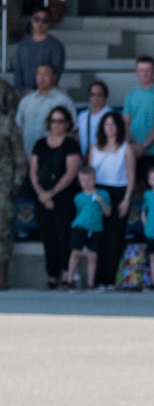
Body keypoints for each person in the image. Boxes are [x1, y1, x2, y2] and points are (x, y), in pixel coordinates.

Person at [29, 108, 81, 289]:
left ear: (67, 124)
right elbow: (33, 170)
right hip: (42, 196)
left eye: (60, 121)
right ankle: (52, 274)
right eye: (53, 121)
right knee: (47, 236)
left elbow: (71, 172)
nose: (56, 125)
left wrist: (51, 193)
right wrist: (42, 194)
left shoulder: (71, 145)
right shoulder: (40, 144)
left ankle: (67, 272)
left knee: (64, 235)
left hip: (64, 196)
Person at [87, 110, 136, 287]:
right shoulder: (94, 147)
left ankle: (111, 278)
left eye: (113, 124)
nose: (110, 128)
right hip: (100, 191)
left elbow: (131, 174)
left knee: (115, 237)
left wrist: (127, 198)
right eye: (107, 124)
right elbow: (90, 172)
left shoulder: (126, 148)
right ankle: (97, 279)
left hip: (119, 192)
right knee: (99, 236)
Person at [65, 167, 110, 290]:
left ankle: (91, 283)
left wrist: (101, 202)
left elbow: (107, 213)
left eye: (89, 180)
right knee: (75, 252)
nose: (86, 183)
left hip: (96, 228)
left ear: (95, 180)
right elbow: (78, 211)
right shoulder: (78, 197)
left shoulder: (103, 194)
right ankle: (69, 280)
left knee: (92, 256)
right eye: (83, 180)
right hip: (80, 226)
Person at [16, 62, 73, 152]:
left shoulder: (64, 101)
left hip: (55, 156)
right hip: (27, 155)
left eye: (46, 73)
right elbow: (18, 129)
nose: (42, 78)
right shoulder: (26, 101)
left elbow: (72, 130)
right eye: (39, 74)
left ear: (54, 77)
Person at [9, 4, 64, 92]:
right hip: (25, 95)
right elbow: (18, 71)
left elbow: (56, 73)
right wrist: (22, 91)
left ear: (49, 22)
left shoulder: (56, 46)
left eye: (44, 20)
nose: (40, 23)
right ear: (31, 20)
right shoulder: (22, 46)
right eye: (37, 19)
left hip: (47, 94)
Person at [0, 111, 24, 291]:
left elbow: (18, 154)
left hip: (3, 183)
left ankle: (3, 275)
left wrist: (17, 181)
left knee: (2, 229)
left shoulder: (7, 123)